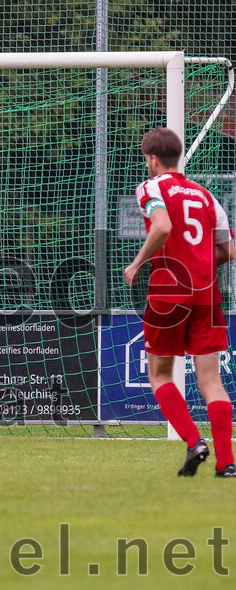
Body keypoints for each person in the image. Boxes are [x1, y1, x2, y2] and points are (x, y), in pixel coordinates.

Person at [124, 126, 235, 478]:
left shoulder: (151, 187)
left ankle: (193, 441)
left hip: (170, 290)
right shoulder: (206, 196)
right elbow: (229, 250)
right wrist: (200, 261)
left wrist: (138, 263)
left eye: (146, 160)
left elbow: (162, 226)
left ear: (153, 159)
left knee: (159, 374)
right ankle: (226, 463)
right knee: (211, 380)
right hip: (207, 294)